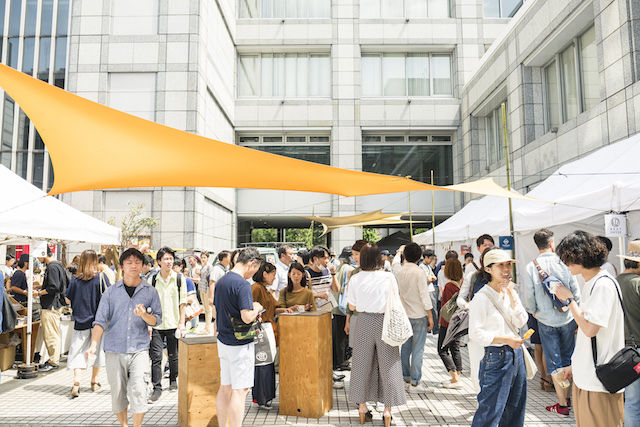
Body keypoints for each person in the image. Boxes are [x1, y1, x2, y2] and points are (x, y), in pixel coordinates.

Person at [555, 231, 624, 427]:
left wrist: (569, 300)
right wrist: (575, 366)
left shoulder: (602, 285)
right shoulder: (595, 282)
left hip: (598, 380)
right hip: (591, 376)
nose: (565, 264)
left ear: (579, 258)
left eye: (567, 259)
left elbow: (589, 329)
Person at [86, 248, 162, 427]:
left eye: (137, 262)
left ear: (143, 265)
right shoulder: (111, 293)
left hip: (139, 349)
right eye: (129, 263)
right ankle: (124, 425)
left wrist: (144, 315)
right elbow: (100, 321)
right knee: (118, 394)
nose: (134, 266)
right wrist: (93, 345)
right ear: (122, 266)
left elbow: (156, 320)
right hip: (114, 349)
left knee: (139, 389)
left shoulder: (150, 292)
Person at [347, 243, 406, 427]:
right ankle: (388, 411)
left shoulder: (355, 279)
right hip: (384, 321)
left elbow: (352, 306)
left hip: (363, 321)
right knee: (389, 365)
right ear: (379, 258)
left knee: (361, 364)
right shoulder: (388, 277)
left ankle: (362, 407)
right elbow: (395, 298)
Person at [523, 228, 580, 415]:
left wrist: (534, 312)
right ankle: (570, 398)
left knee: (554, 362)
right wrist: (576, 310)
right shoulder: (564, 262)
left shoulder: (532, 267)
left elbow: (529, 298)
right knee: (569, 358)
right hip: (568, 317)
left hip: (546, 320)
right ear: (551, 243)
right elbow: (575, 290)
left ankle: (562, 404)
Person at [469, 248, 528, 427]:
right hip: (495, 356)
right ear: (488, 269)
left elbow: (521, 321)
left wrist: (511, 295)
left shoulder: (511, 292)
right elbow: (475, 333)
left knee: (515, 411)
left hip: (516, 355)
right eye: (500, 265)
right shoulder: (481, 298)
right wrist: (505, 339)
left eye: (508, 264)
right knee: (490, 413)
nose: (506, 269)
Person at [213, 247, 264, 427]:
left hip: (223, 340)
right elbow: (247, 316)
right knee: (240, 390)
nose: (254, 273)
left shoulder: (221, 280)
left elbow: (215, 310)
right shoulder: (242, 284)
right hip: (240, 344)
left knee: (225, 387)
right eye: (256, 269)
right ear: (251, 264)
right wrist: (257, 307)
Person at [65, 250, 108, 397]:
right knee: (97, 350)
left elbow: (68, 300)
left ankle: (77, 383)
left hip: (80, 321)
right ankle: (94, 382)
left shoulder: (75, 280)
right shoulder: (101, 278)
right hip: (98, 322)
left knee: (78, 351)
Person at [251, 261, 293, 409]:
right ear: (265, 274)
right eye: (273, 275)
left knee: (266, 364)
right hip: (261, 330)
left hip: (268, 330)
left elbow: (275, 308)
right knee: (263, 364)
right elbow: (251, 309)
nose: (275, 278)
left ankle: (264, 397)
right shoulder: (256, 288)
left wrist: (287, 309)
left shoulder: (264, 289)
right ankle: (262, 398)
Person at [393, 243, 434, 393]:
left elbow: (394, 263)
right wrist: (430, 315)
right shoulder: (419, 272)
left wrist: (399, 251)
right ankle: (415, 383)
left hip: (404, 315)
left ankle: (406, 378)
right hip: (419, 315)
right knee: (418, 350)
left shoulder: (399, 270)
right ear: (419, 257)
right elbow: (424, 296)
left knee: (405, 349)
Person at [148, 247, 187, 402]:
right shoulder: (152, 280)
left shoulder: (179, 279)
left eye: (171, 258)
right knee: (156, 356)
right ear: (159, 262)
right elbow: (148, 302)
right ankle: (156, 388)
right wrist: (148, 324)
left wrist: (182, 323)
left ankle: (172, 380)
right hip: (157, 324)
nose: (169, 261)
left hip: (173, 323)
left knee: (174, 355)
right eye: (165, 259)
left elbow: (182, 302)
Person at [616, 240, 640, 427]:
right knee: (634, 402)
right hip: (637, 349)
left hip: (620, 351)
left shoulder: (613, 283)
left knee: (629, 399)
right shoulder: (638, 284)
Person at [36, 247, 67, 372]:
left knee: (51, 334)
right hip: (55, 304)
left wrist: (38, 293)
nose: (38, 259)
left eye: (38, 256)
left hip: (51, 305)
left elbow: (53, 287)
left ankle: (53, 362)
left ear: (43, 254)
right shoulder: (57, 265)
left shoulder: (52, 267)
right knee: (53, 333)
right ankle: (52, 360)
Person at [438, 258, 464, 389]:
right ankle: (456, 377)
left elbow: (445, 306)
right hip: (459, 321)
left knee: (442, 350)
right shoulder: (462, 283)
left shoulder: (449, 286)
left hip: (448, 322)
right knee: (455, 348)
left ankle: (455, 377)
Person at [332, 246, 354, 372]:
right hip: (344, 307)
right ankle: (342, 362)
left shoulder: (339, 267)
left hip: (335, 306)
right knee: (343, 337)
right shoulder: (350, 269)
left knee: (337, 336)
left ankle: (336, 361)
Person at [306, 245, 339, 312]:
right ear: (315, 259)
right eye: (324, 258)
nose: (327, 261)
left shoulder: (328, 272)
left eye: (328, 258)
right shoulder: (306, 274)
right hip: (313, 313)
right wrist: (318, 295)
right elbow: (303, 295)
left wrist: (333, 274)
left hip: (328, 312)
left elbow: (336, 290)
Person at [208, 250, 231, 332]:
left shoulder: (226, 268)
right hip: (218, 297)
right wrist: (211, 298)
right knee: (218, 318)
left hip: (224, 297)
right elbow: (212, 283)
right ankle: (215, 336)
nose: (230, 258)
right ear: (224, 258)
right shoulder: (216, 269)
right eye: (229, 257)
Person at [418, 249, 439, 334]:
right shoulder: (421, 267)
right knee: (431, 310)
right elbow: (428, 279)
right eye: (430, 258)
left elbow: (434, 277)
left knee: (433, 310)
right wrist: (431, 278)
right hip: (427, 291)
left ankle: (433, 329)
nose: (431, 261)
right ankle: (433, 329)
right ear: (425, 257)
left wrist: (431, 278)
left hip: (431, 290)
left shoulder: (428, 266)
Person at [198, 252, 214, 333]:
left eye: (204, 257)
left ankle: (207, 328)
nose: (203, 259)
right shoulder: (202, 266)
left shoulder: (209, 266)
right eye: (202, 257)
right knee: (205, 308)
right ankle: (206, 327)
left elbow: (211, 279)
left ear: (208, 258)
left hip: (207, 289)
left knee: (208, 309)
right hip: (201, 288)